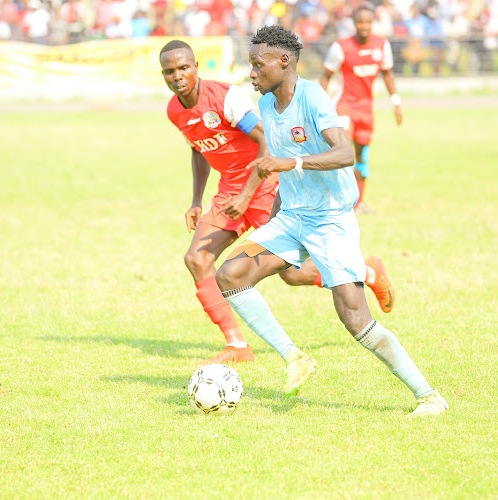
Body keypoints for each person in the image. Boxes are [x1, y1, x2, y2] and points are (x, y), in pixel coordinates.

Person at [215, 25, 447, 417]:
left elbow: (344, 154)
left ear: (284, 62)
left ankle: (428, 396)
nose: (252, 73)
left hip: (331, 219)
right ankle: (295, 357)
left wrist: (293, 162)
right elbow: (278, 167)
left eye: (258, 65)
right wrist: (270, 227)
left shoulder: (313, 96)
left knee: (354, 318)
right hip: (290, 216)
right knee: (231, 275)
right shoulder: (269, 105)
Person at [160, 40, 397, 366]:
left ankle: (367, 273)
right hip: (231, 191)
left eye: (183, 67)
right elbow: (198, 149)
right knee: (197, 258)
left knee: (292, 274)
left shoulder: (224, 98)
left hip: (266, 185)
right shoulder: (175, 110)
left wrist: (248, 195)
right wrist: (195, 200)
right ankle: (237, 345)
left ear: (196, 66)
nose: (177, 76)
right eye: (169, 71)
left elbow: (266, 142)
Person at [320, 4, 403, 215]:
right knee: (342, 154)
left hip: (367, 109)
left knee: (362, 156)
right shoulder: (341, 47)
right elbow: (326, 76)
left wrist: (396, 101)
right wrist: (319, 104)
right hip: (345, 107)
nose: (364, 26)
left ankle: (360, 203)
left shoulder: (382, 45)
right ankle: (337, 202)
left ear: (372, 23)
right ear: (354, 24)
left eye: (367, 22)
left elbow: (388, 74)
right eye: (360, 22)